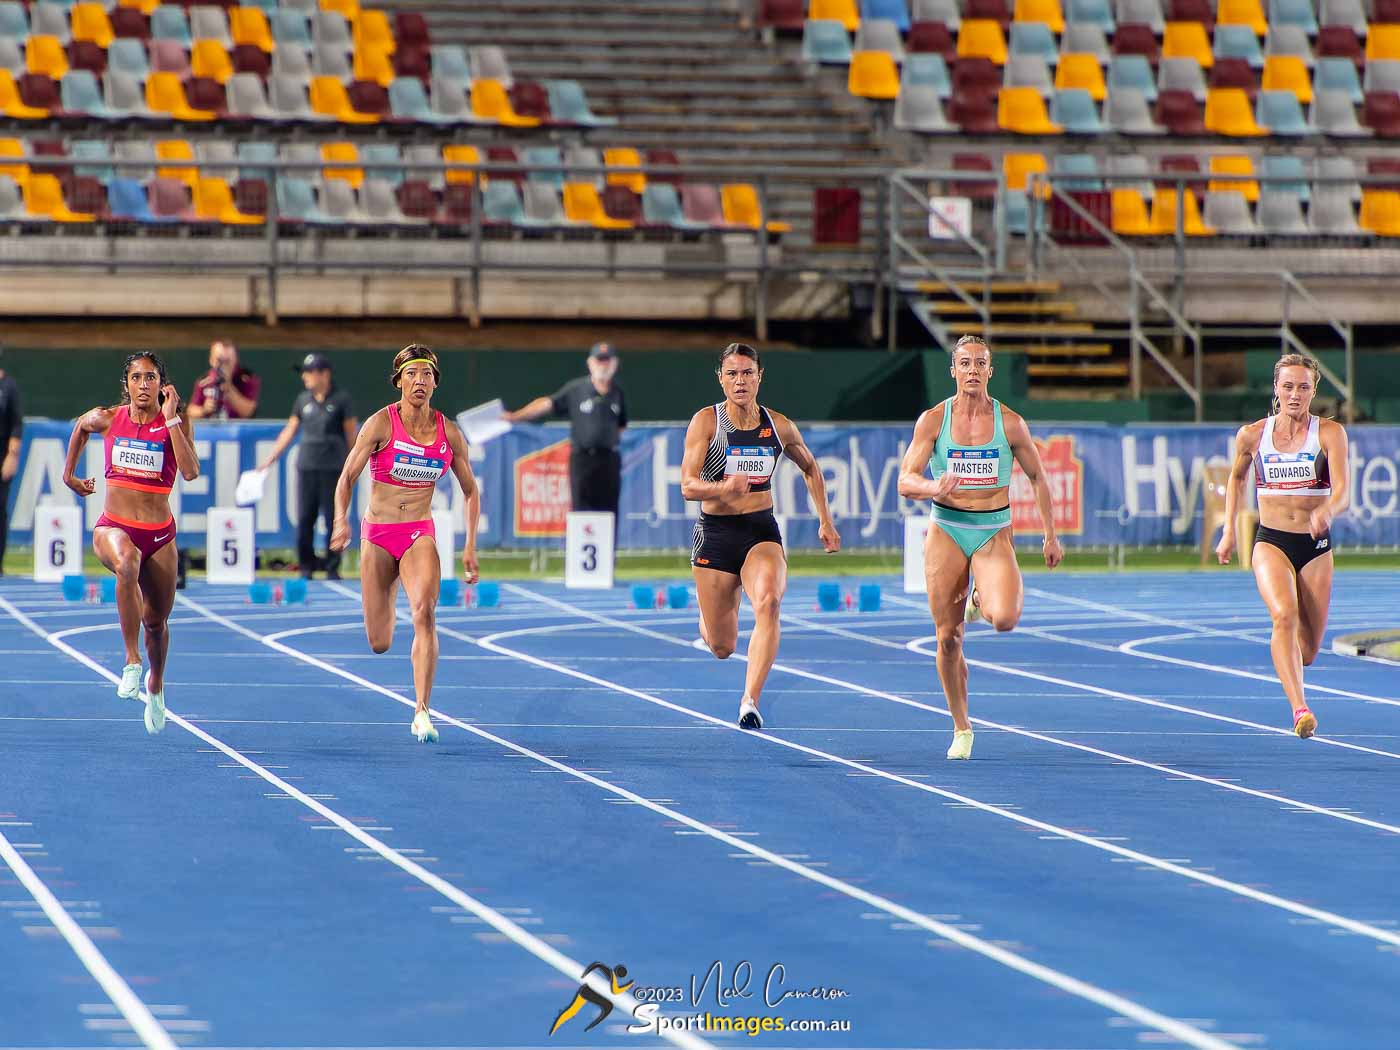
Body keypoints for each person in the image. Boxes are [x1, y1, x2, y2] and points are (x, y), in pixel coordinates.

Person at [897, 335, 1064, 760]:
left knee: (1005, 617)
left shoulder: (1010, 423)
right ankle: (962, 727)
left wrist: (1050, 534)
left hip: (992, 530)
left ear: (991, 371)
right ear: (953, 370)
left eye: (980, 363)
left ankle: (977, 597)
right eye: (965, 363)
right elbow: (905, 480)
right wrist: (934, 485)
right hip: (948, 529)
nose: (972, 370)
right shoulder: (934, 421)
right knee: (948, 638)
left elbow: (1040, 479)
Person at [680, 343, 840, 730]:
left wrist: (825, 519)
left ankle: (749, 700)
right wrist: (723, 489)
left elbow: (810, 467)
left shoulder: (778, 425)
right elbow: (687, 485)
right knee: (722, 646)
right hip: (716, 534)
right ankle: (705, 619)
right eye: (732, 374)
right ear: (720, 379)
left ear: (759, 377)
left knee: (768, 603)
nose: (740, 381)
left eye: (747, 373)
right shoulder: (707, 422)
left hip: (760, 531)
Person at [329, 345, 480, 744]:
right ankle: (391, 583)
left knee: (425, 613)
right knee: (379, 642)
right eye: (412, 374)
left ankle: (422, 710)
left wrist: (469, 547)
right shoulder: (380, 424)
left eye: (427, 374)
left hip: (418, 532)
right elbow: (346, 478)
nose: (420, 381)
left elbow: (470, 492)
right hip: (378, 534)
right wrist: (341, 520)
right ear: (399, 381)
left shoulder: (449, 433)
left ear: (435, 383)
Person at [62, 353, 200, 734]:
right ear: (127, 385)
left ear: (161, 384)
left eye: (150, 377)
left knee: (156, 621)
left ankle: (155, 684)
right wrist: (69, 475)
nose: (143, 384)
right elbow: (80, 425)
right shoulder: (110, 418)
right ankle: (131, 661)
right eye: (136, 377)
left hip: (159, 535)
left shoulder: (172, 421)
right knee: (126, 562)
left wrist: (172, 418)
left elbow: (190, 471)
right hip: (113, 526)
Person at [1216, 353, 1349, 739]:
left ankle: (1294, 671)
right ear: (1276, 388)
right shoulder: (1253, 435)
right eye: (1288, 386)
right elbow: (1236, 479)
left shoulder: (1329, 433)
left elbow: (1341, 490)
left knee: (1307, 650)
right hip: (1270, 541)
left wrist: (1328, 509)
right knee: (1283, 616)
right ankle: (1300, 709)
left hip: (1315, 546)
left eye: (1303, 387)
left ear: (1314, 390)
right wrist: (1229, 531)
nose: (1295, 395)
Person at [257, 353, 359, 579]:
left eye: (309, 372)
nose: (305, 377)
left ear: (324, 374)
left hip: (333, 469)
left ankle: (332, 568)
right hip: (307, 467)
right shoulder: (302, 400)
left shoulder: (341, 399)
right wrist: (269, 459)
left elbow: (352, 435)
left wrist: (354, 467)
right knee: (305, 518)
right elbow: (289, 431)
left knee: (334, 517)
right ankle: (306, 566)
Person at [504, 342, 627, 521]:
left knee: (609, 512)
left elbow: (622, 424)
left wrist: (608, 440)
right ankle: (581, 548)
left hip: (609, 460)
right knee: (581, 510)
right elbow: (547, 404)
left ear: (614, 363)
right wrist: (517, 416)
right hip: (583, 459)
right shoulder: (577, 389)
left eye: (607, 361)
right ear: (590, 363)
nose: (603, 365)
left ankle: (608, 549)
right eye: (599, 360)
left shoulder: (617, 393)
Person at [187, 338, 260, 420]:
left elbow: (248, 412)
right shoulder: (204, 381)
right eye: (219, 360)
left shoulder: (246, 379)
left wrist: (229, 389)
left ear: (235, 360)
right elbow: (191, 411)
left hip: (238, 430)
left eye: (227, 361)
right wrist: (204, 409)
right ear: (211, 360)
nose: (223, 366)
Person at [0, 345, 21, 576]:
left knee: (0, 510)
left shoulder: (8, 387)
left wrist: (12, 456)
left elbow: (16, 423)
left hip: (2, 456)